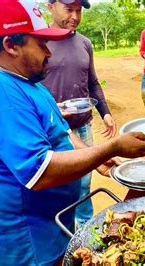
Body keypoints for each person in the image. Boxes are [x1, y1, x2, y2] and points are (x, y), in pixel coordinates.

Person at [0, 1, 145, 265]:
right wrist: (111, 148)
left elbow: (60, 131)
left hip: (47, 223)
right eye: (40, 43)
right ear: (10, 45)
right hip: (21, 237)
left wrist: (91, 155)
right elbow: (40, 172)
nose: (49, 52)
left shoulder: (27, 82)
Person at [43, 0, 116, 228]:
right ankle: (61, 228)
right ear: (51, 6)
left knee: (84, 181)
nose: (75, 16)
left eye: (79, 10)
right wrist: (52, 108)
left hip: (83, 125)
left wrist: (105, 112)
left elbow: (92, 82)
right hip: (51, 130)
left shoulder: (84, 43)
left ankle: (84, 226)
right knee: (58, 185)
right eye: (69, 9)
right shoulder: (38, 42)